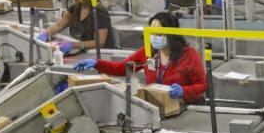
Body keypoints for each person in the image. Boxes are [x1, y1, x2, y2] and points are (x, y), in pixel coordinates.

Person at [73, 11, 206, 104]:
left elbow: (203, 85)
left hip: (185, 107)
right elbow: (121, 68)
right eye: (151, 33)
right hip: (157, 107)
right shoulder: (147, 52)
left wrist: (184, 91)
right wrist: (97, 63)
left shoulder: (188, 55)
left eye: (159, 34)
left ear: (172, 34)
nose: (154, 38)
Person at [38, 0, 112, 53]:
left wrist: (73, 45)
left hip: (103, 54)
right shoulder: (74, 9)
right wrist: (45, 34)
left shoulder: (99, 11)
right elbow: (58, 26)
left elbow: (100, 42)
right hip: (85, 53)